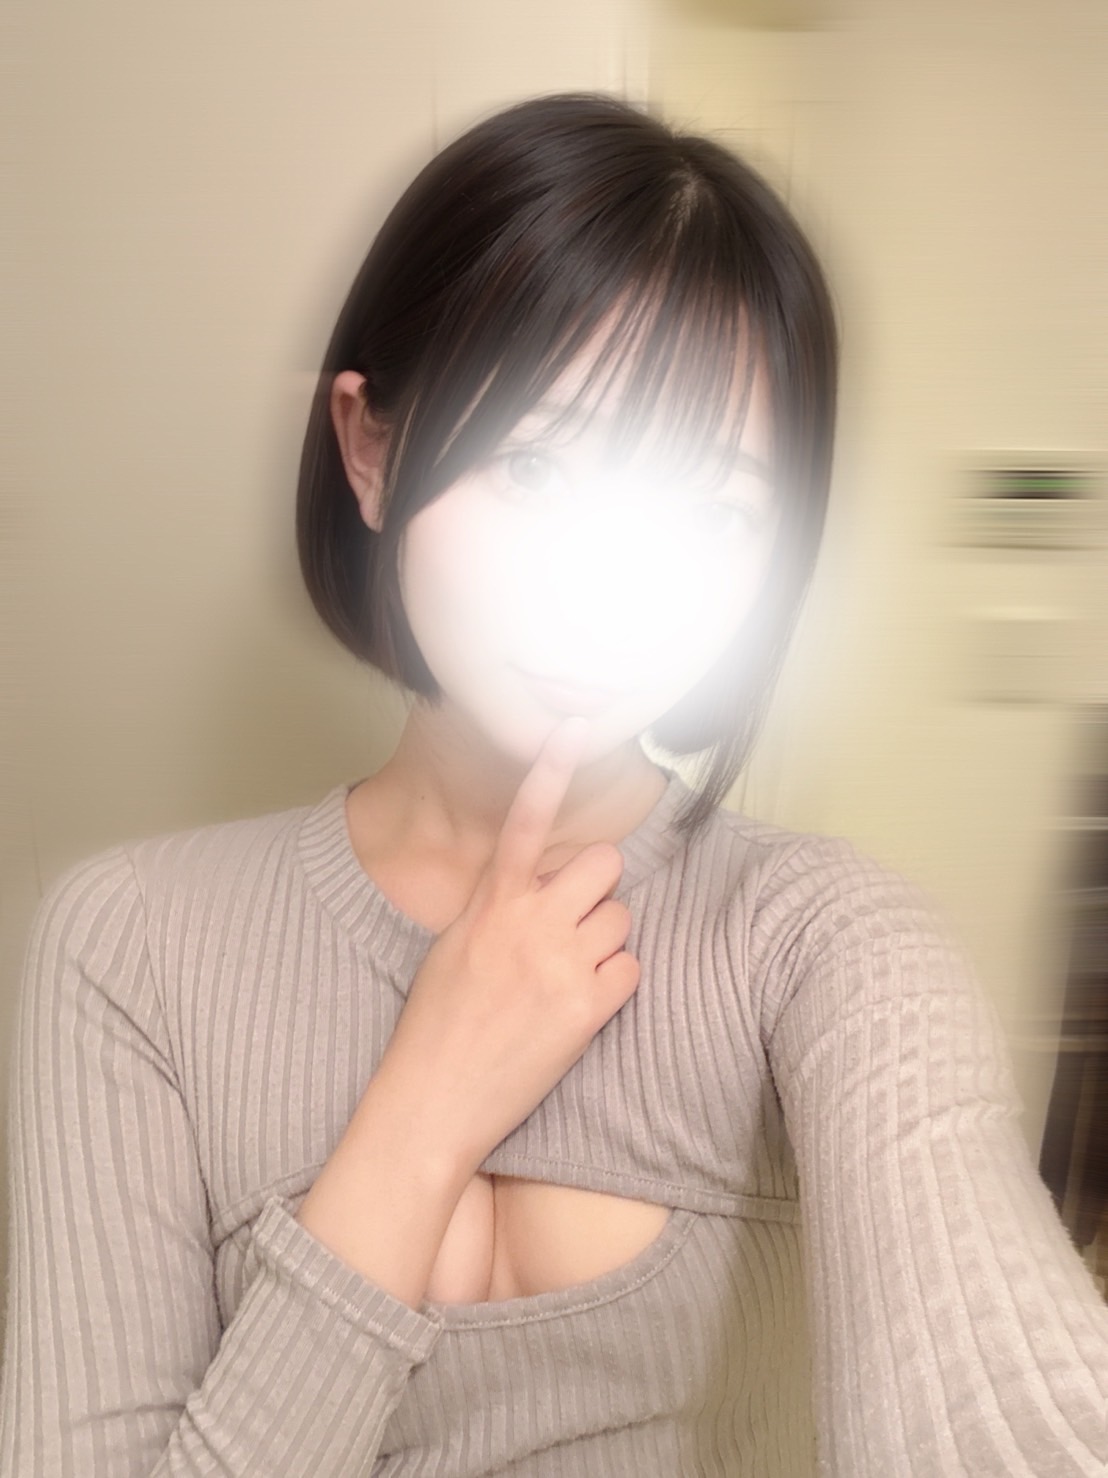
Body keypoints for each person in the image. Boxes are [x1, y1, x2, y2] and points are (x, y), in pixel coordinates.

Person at [1, 91, 1106, 1478]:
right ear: (371, 446)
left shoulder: (830, 943)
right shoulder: (132, 946)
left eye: (710, 511)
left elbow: (999, 1394)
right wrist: (425, 1105)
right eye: (533, 464)